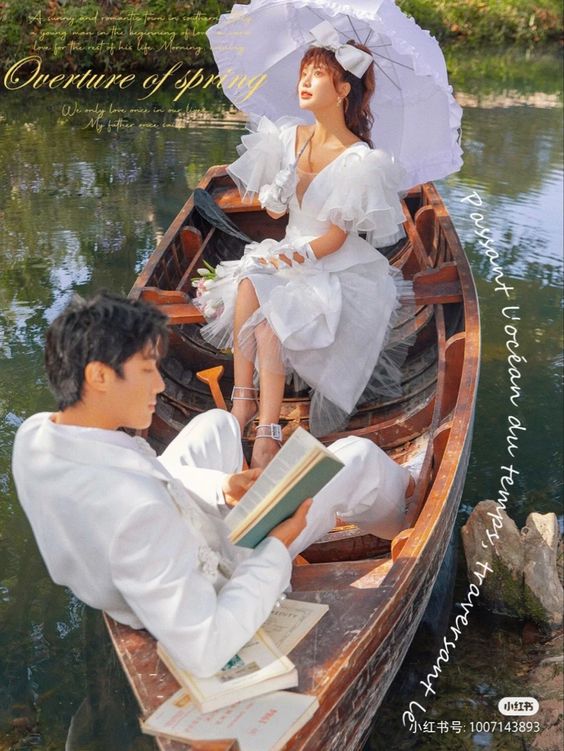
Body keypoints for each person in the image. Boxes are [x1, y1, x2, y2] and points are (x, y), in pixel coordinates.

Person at [12, 292, 418, 679]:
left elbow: (145, 477)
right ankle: (406, 512)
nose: (158, 385)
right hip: (208, 572)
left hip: (147, 544)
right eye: (146, 370)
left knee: (218, 425)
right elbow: (204, 651)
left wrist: (223, 485)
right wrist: (278, 544)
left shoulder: (35, 435)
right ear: (99, 376)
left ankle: (387, 489)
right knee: (356, 457)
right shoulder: (138, 514)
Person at [197, 30, 413, 469]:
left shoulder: (361, 160)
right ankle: (244, 403)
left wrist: (293, 258)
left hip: (332, 263)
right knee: (247, 284)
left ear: (343, 90)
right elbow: (276, 215)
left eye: (318, 74)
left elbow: (334, 239)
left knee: (270, 325)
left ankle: (269, 430)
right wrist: (283, 188)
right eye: (304, 73)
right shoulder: (289, 138)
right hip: (290, 247)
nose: (305, 81)